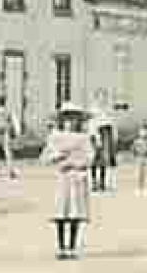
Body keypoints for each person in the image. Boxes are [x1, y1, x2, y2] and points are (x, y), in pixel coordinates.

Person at [42, 103, 96, 259]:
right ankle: (61, 246)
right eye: (67, 119)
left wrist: (78, 163)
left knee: (75, 213)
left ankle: (72, 246)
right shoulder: (55, 137)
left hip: (77, 177)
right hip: (62, 177)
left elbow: (90, 156)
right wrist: (59, 156)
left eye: (74, 119)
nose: (70, 122)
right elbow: (46, 157)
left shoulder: (84, 138)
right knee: (61, 212)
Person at [87, 100, 116, 192]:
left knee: (102, 163)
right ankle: (95, 182)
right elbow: (91, 135)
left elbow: (109, 136)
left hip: (102, 144)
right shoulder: (92, 123)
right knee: (94, 164)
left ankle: (101, 183)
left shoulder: (105, 124)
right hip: (95, 143)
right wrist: (95, 144)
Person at [0, 95, 18, 178]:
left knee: (6, 152)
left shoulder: (6, 110)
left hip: (4, 132)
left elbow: (13, 120)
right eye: (1, 100)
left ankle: (10, 171)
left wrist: (14, 131)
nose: (1, 101)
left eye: (2, 100)